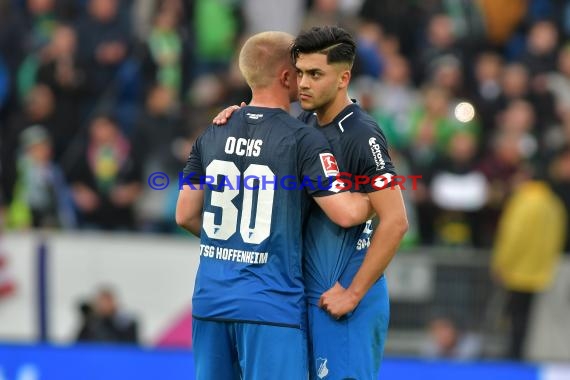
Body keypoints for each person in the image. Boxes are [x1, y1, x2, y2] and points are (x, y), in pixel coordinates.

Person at [175, 31, 372, 380]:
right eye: (300, 71)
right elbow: (347, 213)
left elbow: (186, 214)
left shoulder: (212, 132)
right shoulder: (302, 138)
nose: (305, 80)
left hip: (210, 301)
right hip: (271, 305)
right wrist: (383, 189)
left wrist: (235, 247)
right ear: (286, 77)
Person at [215, 26, 408, 380]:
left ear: (343, 77)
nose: (302, 83)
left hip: (343, 297)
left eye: (315, 74)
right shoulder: (303, 123)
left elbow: (395, 221)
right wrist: (238, 120)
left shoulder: (362, 135)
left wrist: (353, 293)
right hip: (306, 295)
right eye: (300, 72)